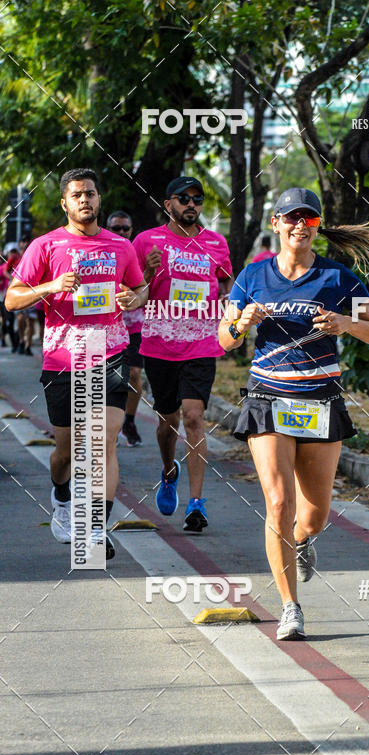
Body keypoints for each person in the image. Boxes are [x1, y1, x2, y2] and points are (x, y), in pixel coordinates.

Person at [218, 187, 369, 640]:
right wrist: (241, 324)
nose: (300, 226)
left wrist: (346, 324)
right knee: (278, 502)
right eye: (291, 218)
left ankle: (302, 541)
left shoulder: (338, 278)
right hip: (268, 397)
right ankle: (290, 606)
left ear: (317, 227)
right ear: (275, 224)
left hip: (320, 402)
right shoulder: (252, 277)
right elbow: (225, 340)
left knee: (312, 517)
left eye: (309, 220)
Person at [5, 167, 147, 559]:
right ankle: (62, 494)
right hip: (64, 358)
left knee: (103, 441)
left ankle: (97, 529)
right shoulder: (45, 246)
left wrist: (136, 298)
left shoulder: (121, 246)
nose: (85, 200)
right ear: (65, 203)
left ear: (99, 200)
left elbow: (139, 287)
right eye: (77, 195)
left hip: (111, 349)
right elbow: (12, 299)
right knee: (65, 453)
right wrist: (51, 286)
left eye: (91, 193)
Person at [134, 176, 233, 531]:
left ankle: (196, 503)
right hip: (160, 343)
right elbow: (132, 291)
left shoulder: (216, 243)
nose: (191, 204)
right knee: (167, 423)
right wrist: (148, 270)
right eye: (184, 198)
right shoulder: (146, 241)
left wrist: (229, 307)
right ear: (168, 203)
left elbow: (225, 285)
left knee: (193, 416)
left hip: (202, 342)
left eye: (197, 199)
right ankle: (168, 469)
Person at [107, 210, 144, 447]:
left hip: (135, 326)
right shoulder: (100, 252)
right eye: (116, 228)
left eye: (125, 229)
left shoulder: (137, 253)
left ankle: (128, 420)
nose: (121, 232)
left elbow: (146, 285)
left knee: (134, 374)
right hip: (107, 327)